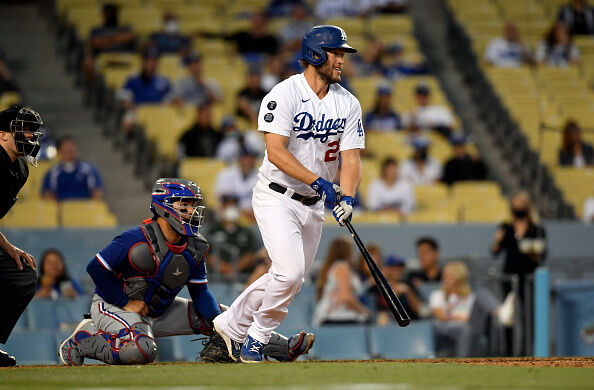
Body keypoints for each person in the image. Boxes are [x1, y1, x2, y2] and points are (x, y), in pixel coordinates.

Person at [212, 25, 364, 363]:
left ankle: (230, 325)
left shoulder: (348, 103)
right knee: (290, 272)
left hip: (312, 206)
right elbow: (276, 151)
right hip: (276, 195)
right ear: (314, 55)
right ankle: (257, 338)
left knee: (288, 279)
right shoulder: (284, 94)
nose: (341, 59)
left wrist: (349, 197)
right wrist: (318, 181)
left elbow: (351, 158)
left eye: (342, 54)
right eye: (336, 53)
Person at [58, 178, 315, 366]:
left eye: (193, 205)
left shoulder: (195, 245)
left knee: (228, 318)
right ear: (164, 205)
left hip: (159, 311)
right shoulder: (134, 239)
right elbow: (96, 268)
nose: (192, 211)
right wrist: (125, 302)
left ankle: (282, 347)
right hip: (112, 307)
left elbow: (201, 292)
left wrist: (222, 325)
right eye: (185, 204)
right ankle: (85, 338)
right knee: (141, 351)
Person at [0, 106, 43, 367]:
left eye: (32, 131)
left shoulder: (20, 170)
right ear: (3, 134)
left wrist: (8, 247)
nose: (29, 136)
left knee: (22, 274)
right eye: (23, 129)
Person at [491, 191, 546, 300]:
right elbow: (495, 252)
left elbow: (542, 253)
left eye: (520, 204)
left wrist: (533, 253)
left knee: (530, 307)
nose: (517, 207)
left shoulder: (536, 229)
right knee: (510, 305)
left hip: (529, 274)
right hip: (510, 273)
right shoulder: (506, 227)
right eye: (514, 204)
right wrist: (497, 240)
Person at [313, 237, 370, 326]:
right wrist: (363, 311)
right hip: (335, 317)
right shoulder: (342, 267)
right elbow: (346, 298)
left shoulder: (335, 267)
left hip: (333, 317)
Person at [207, 196, 264, 279]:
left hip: (242, 277)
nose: (231, 210)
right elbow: (209, 256)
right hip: (216, 278)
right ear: (222, 209)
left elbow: (250, 255)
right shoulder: (212, 230)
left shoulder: (246, 232)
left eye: (233, 206)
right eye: (228, 206)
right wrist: (227, 269)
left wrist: (234, 269)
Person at [82, 3, 136, 85]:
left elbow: (131, 36)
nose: (112, 15)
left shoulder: (125, 28)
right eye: (109, 12)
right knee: (88, 62)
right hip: (103, 60)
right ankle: (93, 90)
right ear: (104, 14)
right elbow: (96, 42)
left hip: (124, 59)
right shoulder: (96, 30)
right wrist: (119, 38)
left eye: (114, 12)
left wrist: (107, 41)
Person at [41, 135, 104, 201]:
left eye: (73, 145)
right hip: (61, 209)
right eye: (67, 146)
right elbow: (47, 194)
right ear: (60, 150)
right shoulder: (53, 172)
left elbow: (98, 191)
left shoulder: (88, 169)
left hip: (84, 208)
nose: (71, 148)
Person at [214, 147, 260, 220]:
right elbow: (224, 198)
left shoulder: (260, 175)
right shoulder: (226, 173)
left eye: (252, 158)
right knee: (231, 212)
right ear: (240, 159)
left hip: (253, 213)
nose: (249, 161)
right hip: (232, 210)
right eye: (246, 158)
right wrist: (243, 212)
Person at [377, 255, 421, 324]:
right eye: (395, 268)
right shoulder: (379, 286)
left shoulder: (408, 284)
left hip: (410, 324)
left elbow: (419, 310)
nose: (398, 271)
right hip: (388, 325)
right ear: (387, 269)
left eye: (400, 268)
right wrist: (394, 293)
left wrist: (407, 291)